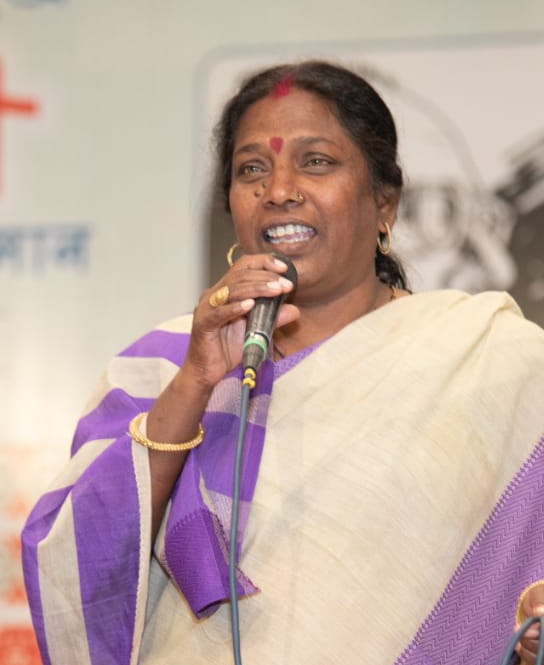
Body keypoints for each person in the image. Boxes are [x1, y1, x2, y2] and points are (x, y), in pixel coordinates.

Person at [21, 61, 544, 665]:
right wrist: (196, 382)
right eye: (252, 170)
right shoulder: (161, 367)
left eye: (316, 161)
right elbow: (76, 573)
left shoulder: (491, 359)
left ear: (384, 204)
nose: (278, 190)